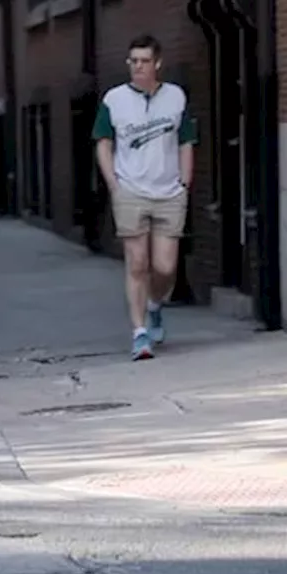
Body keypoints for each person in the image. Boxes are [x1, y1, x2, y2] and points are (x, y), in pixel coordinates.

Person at [92, 34, 196, 361]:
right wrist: (113, 183)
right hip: (131, 191)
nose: (137, 66)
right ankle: (139, 334)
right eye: (133, 61)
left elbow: (186, 141)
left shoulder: (176, 98)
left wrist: (185, 182)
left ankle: (154, 305)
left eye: (144, 61)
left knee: (165, 267)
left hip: (168, 192)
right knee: (137, 263)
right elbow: (103, 142)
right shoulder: (114, 100)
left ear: (157, 63)